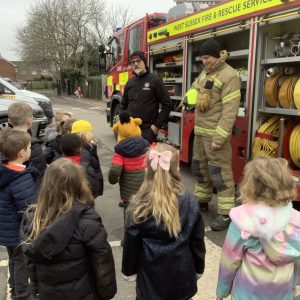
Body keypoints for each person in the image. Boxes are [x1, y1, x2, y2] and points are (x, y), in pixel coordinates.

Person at [21, 158, 117, 300]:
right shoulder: (88, 221)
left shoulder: (32, 219)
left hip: (48, 293)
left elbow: (31, 262)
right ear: (79, 184)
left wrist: (36, 289)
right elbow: (102, 262)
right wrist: (106, 293)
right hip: (84, 293)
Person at [122, 143, 206, 300]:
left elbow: (131, 242)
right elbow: (197, 241)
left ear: (147, 169)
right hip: (181, 275)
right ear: (178, 168)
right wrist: (199, 267)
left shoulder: (138, 204)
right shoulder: (189, 202)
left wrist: (129, 270)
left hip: (149, 278)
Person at [216, 157, 300, 300]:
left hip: (246, 294)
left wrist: (222, 291)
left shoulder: (242, 220)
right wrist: (294, 283)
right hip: (282, 292)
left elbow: (229, 262)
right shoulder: (295, 219)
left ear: (251, 185)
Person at [190, 38, 241, 231]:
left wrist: (220, 137)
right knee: (200, 168)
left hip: (215, 135)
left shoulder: (229, 76)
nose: (204, 62)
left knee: (220, 174)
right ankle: (202, 200)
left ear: (217, 55)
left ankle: (226, 213)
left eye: (207, 57)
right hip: (201, 133)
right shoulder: (205, 73)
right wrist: (187, 98)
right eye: (202, 58)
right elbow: (194, 91)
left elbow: (230, 110)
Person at [0, 129, 39, 299]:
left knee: (14, 259)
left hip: (7, 229)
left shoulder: (6, 170)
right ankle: (22, 294)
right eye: (30, 147)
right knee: (22, 264)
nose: (31, 149)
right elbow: (30, 209)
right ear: (22, 152)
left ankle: (14, 287)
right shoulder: (21, 178)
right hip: (19, 232)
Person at [121, 51, 173, 144]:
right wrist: (124, 123)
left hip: (147, 131)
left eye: (139, 61)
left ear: (144, 62)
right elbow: (124, 105)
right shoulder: (130, 82)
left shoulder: (155, 80)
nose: (136, 64)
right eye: (133, 62)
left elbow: (168, 104)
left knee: (145, 158)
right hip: (131, 128)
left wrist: (156, 126)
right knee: (131, 158)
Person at [108, 111, 149, 210]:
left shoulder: (120, 150)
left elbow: (115, 170)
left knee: (130, 216)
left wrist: (112, 180)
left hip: (128, 194)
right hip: (145, 190)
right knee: (144, 213)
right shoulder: (145, 145)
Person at [8, 102, 47, 177]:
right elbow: (41, 172)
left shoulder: (4, 141)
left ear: (9, 121)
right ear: (29, 120)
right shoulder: (32, 145)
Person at [60, 133, 103, 198]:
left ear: (61, 148)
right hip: (85, 201)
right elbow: (95, 186)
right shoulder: (86, 168)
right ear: (80, 149)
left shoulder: (56, 167)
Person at [71, 120, 103, 197]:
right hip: (88, 192)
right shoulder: (83, 152)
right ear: (84, 134)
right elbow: (86, 173)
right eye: (90, 131)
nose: (92, 134)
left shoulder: (87, 147)